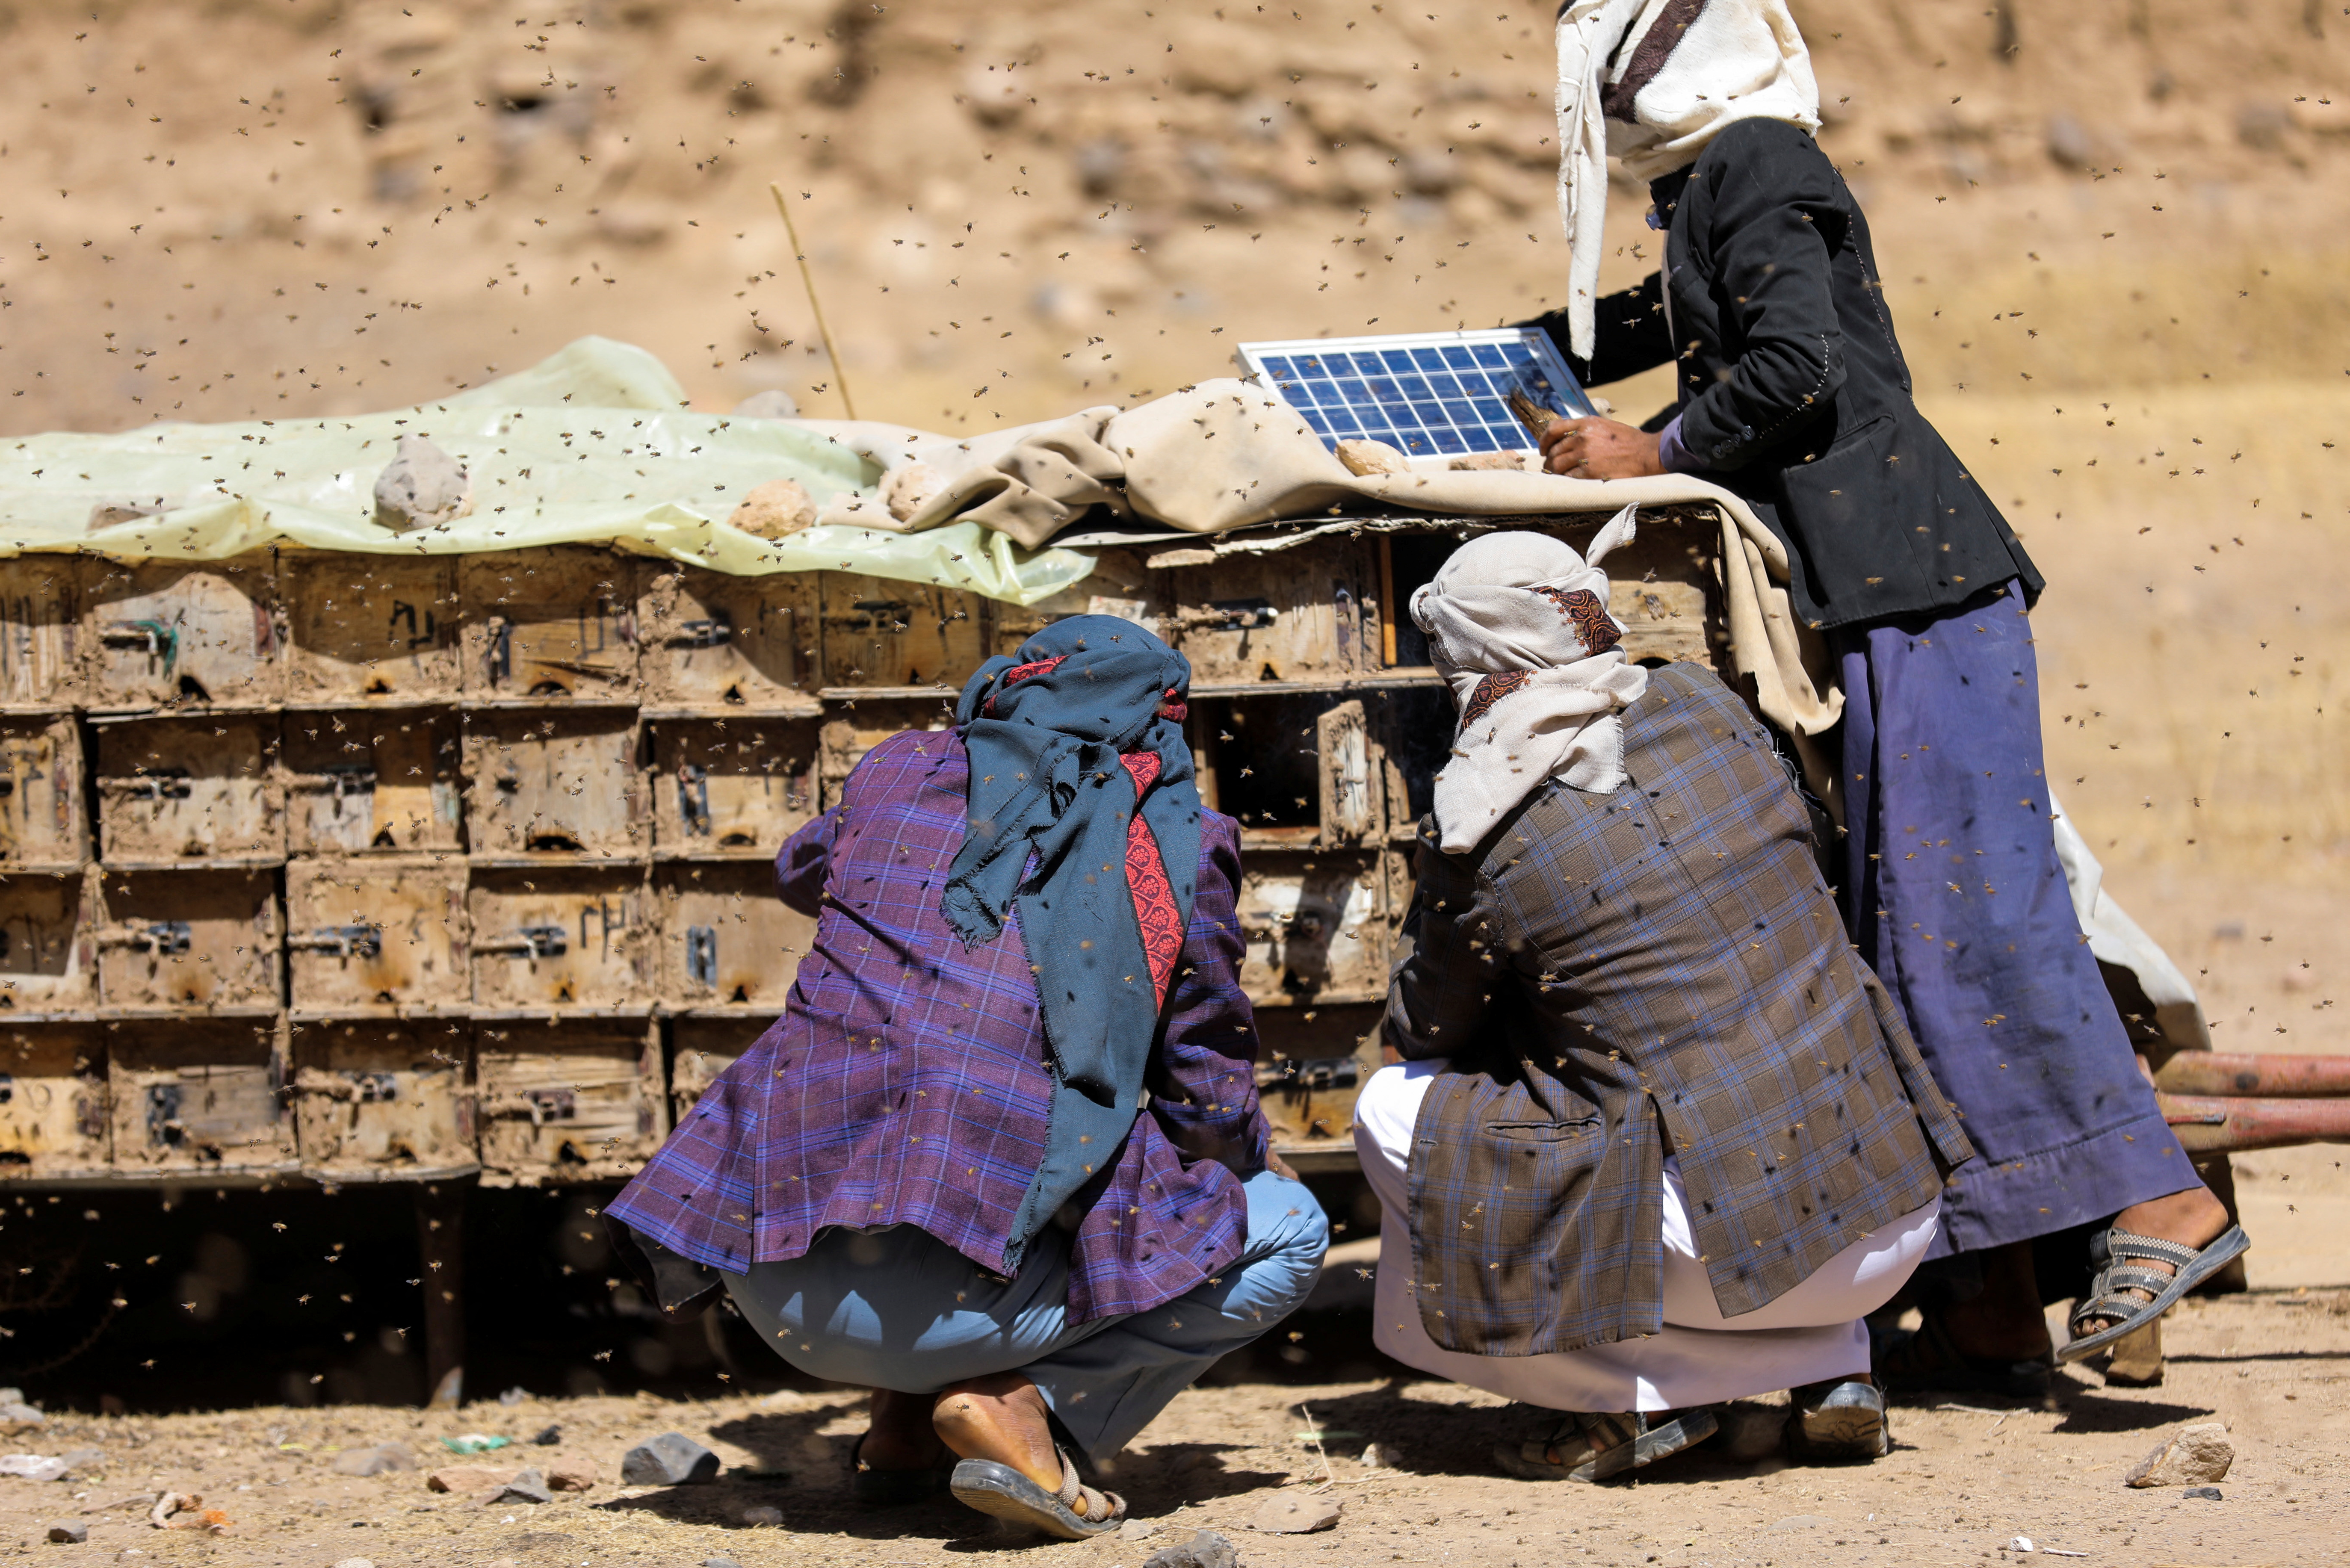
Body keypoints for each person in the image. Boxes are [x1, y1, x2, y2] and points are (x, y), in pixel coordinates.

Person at [1517, 0, 2244, 1389]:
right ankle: (1988, 1297)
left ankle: (2161, 1195)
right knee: (1896, 929)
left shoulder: (1753, 168)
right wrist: (1497, 355)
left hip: (1916, 587)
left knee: (1972, 909)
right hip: (1882, 598)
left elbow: (1801, 367)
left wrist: (1654, 445)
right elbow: (1667, 324)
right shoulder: (1721, 184)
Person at [602, 616, 1328, 1539]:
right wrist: (1248, 1160)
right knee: (1282, 1226)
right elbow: (1204, 1082)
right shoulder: (1181, 843)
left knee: (889, 1108)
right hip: (951, 1303)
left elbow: (798, 868)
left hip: (767, 1274)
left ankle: (901, 1430)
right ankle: (1027, 1408)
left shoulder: (896, 773)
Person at [1356, 526, 1972, 1479]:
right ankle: (1835, 1369)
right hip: (1896, 1213)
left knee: (1392, 1109)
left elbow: (1420, 1027)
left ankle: (1627, 1399)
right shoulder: (1705, 700)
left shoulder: (1487, 823)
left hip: (1729, 1260)